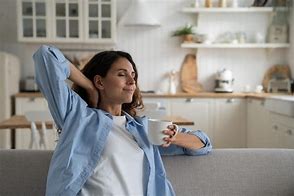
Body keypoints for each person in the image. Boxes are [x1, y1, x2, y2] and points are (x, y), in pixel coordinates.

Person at [33, 45, 212, 196]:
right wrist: (88, 86)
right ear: (100, 82)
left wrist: (175, 137)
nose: (131, 81)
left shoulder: (142, 128)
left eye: (133, 75)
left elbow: (203, 143)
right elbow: (46, 56)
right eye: (121, 74)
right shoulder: (78, 117)